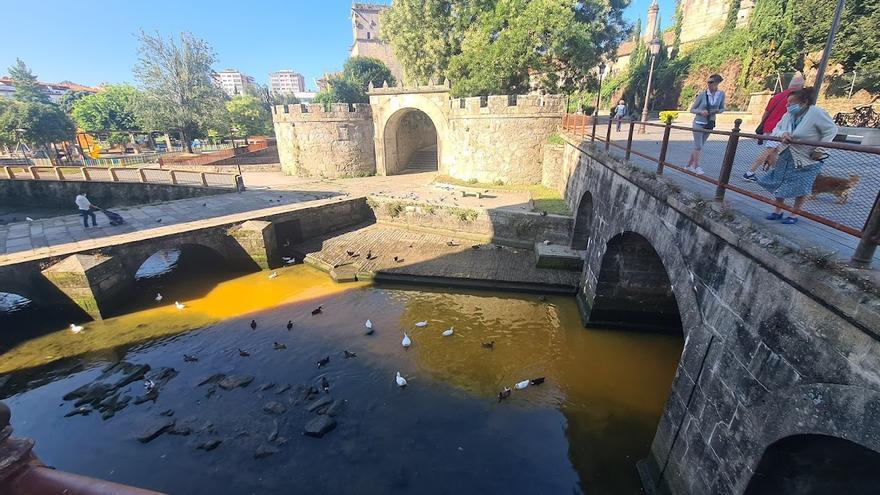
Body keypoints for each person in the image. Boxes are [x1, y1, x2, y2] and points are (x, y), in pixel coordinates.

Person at [757, 87, 838, 225]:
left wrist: (821, 147)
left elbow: (831, 129)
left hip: (807, 157)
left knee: (802, 186)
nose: (788, 106)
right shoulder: (788, 115)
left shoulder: (816, 113)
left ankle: (794, 213)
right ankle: (778, 210)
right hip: (787, 155)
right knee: (781, 182)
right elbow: (777, 129)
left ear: (804, 102)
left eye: (791, 103)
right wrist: (782, 134)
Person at [743, 74, 805, 181]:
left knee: (774, 152)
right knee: (768, 150)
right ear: (800, 87)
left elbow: (766, 113)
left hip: (768, 126)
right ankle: (750, 172)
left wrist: (762, 125)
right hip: (779, 129)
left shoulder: (777, 96)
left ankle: (776, 174)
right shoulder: (794, 99)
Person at [687, 74, 726, 175]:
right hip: (699, 122)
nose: (708, 84)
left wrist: (717, 111)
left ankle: (688, 165)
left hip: (710, 122)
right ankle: (696, 166)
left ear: (717, 83)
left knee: (699, 146)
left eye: (711, 82)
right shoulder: (702, 95)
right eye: (708, 82)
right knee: (698, 146)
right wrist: (700, 112)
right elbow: (692, 109)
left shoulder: (721, 95)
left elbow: (722, 108)